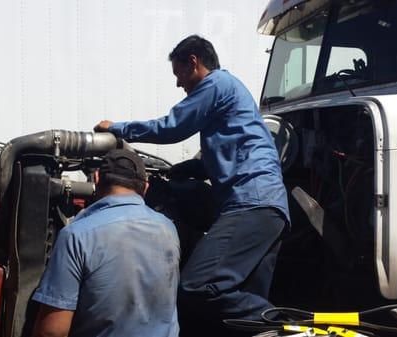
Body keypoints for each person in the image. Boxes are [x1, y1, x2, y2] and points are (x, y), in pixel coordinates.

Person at [94, 35, 290, 335]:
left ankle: (289, 325)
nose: (178, 84)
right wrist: (188, 168)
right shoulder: (231, 94)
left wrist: (118, 128)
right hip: (271, 209)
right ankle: (276, 325)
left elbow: (171, 127)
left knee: (195, 286)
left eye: (179, 74)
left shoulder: (216, 84)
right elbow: (231, 151)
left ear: (194, 62)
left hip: (251, 204)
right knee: (246, 315)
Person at [31, 149, 180, 337]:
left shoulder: (76, 236)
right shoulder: (168, 228)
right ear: (146, 187)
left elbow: (52, 331)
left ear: (96, 178)